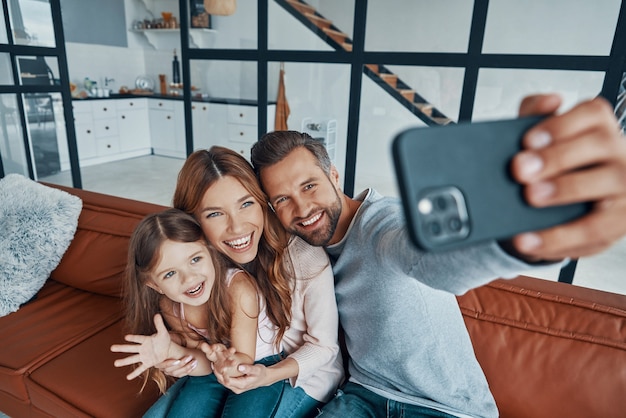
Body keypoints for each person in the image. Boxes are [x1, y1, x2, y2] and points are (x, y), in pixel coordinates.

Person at [249, 94, 626, 418]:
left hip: (444, 406)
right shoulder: (302, 249)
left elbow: (432, 263)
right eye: (283, 199)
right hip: (363, 396)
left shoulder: (385, 223)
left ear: (333, 175)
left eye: (309, 185)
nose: (301, 208)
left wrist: (515, 241)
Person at [152, 146, 343, 417]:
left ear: (262, 202)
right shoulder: (198, 262)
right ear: (192, 221)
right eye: (214, 214)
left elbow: (324, 347)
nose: (237, 227)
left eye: (246, 204)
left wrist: (267, 375)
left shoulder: (305, 260)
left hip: (296, 374)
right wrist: (176, 348)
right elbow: (195, 335)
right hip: (227, 367)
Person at [110, 208, 286, 418]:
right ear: (153, 285)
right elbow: (203, 366)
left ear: (209, 250)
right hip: (214, 367)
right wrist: (171, 351)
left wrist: (222, 363)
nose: (189, 278)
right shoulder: (171, 306)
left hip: (259, 364)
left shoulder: (239, 289)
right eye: (170, 274)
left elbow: (244, 360)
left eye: (195, 260)